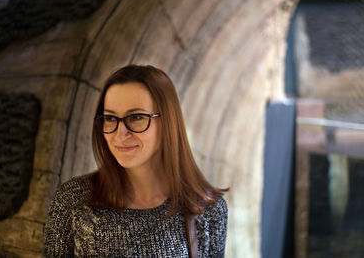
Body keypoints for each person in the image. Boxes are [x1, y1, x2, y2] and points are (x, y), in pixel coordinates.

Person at [42, 65, 228, 257]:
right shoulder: (73, 201)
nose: (120, 134)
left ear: (168, 123)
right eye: (110, 118)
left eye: (137, 117)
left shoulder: (209, 211)